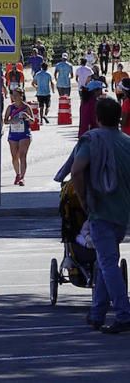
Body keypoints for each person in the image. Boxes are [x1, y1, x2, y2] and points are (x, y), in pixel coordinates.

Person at [67, 97, 130, 333]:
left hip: (100, 211)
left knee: (106, 262)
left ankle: (124, 313)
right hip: (121, 213)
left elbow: (76, 170)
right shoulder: (126, 142)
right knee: (107, 261)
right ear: (119, 118)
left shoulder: (92, 140)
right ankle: (97, 313)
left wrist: (83, 199)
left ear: (97, 118)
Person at [3, 87, 33, 186]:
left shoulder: (26, 107)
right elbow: (5, 120)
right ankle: (17, 174)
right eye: (13, 95)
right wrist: (11, 121)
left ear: (21, 95)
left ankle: (22, 178)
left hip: (24, 134)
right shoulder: (10, 107)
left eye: (16, 95)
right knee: (14, 156)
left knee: (22, 155)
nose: (14, 97)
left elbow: (33, 121)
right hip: (13, 134)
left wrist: (27, 117)